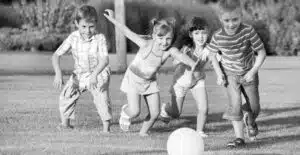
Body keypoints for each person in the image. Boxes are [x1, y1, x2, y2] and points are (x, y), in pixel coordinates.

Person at [103, 9, 197, 136]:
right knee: (135, 111)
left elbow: (180, 55)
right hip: (134, 79)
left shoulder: (168, 51)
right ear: (153, 36)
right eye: (161, 38)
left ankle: (143, 133)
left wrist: (193, 64)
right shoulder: (146, 44)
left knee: (155, 113)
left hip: (149, 82)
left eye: (168, 38)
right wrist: (113, 19)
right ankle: (126, 112)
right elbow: (126, 31)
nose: (164, 42)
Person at [206, 0, 267, 148]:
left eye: (235, 19)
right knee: (235, 105)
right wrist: (219, 74)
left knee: (255, 107)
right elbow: (212, 55)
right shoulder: (218, 36)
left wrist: (253, 71)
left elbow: (261, 52)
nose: (231, 24)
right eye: (227, 20)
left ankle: (250, 121)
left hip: (248, 72)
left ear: (241, 16)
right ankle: (239, 138)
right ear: (220, 19)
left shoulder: (248, 30)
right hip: (229, 73)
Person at [159, 17, 225, 138]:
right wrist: (179, 60)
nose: (201, 37)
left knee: (204, 108)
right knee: (176, 113)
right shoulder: (186, 48)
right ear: (191, 34)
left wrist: (220, 75)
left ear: (208, 33)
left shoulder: (209, 49)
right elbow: (175, 59)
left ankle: (199, 131)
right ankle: (166, 108)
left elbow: (215, 61)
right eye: (197, 33)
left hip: (197, 81)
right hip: (180, 82)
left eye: (204, 33)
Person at [52, 5, 112, 133]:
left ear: (96, 24)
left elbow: (104, 60)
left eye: (91, 27)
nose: (88, 30)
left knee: (102, 98)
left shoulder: (99, 38)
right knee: (66, 95)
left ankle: (106, 130)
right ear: (77, 23)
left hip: (99, 72)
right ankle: (65, 125)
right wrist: (58, 73)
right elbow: (56, 55)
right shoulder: (73, 37)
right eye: (84, 27)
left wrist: (95, 75)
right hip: (79, 73)